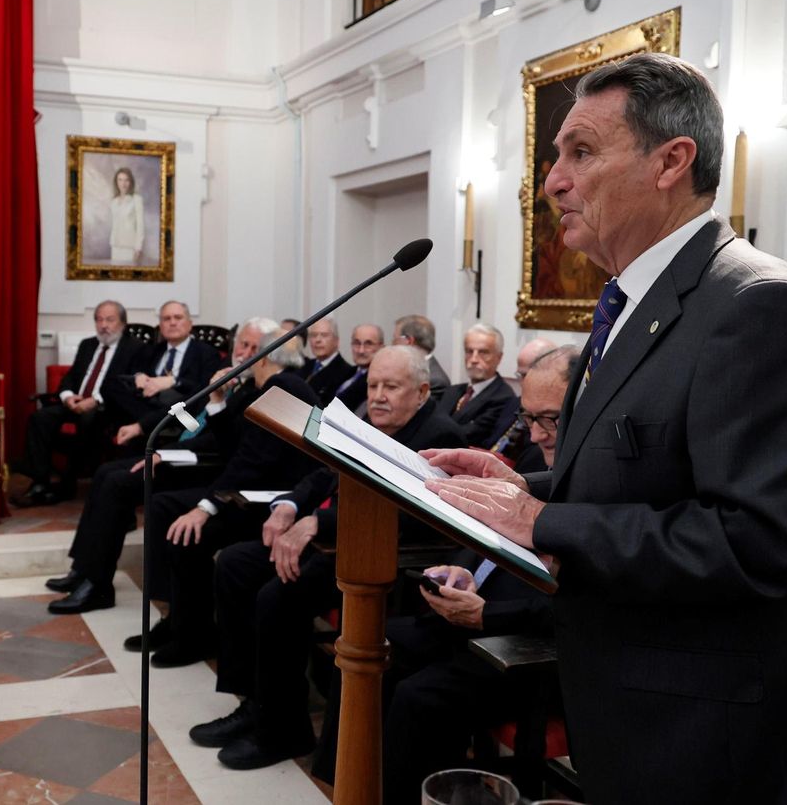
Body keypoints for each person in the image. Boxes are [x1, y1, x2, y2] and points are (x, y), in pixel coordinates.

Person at [424, 53, 787, 804]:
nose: (552, 180)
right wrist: (521, 486)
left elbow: (759, 543)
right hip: (635, 708)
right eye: (556, 156)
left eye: (581, 152)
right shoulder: (633, 302)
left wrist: (544, 521)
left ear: (672, 161)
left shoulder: (758, 308)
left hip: (715, 739)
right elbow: (646, 469)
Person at [311, 349, 578, 797]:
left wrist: (484, 615)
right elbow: (487, 536)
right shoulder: (539, 462)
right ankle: (346, 783)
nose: (535, 434)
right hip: (474, 617)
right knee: (366, 644)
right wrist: (460, 567)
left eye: (549, 420)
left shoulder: (595, 484)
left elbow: (570, 597)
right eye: (528, 417)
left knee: (418, 698)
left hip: (520, 646)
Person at [191, 346, 465, 770]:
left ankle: (282, 730)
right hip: (339, 539)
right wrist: (289, 505)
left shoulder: (439, 436)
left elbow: (409, 512)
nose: (377, 396)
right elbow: (325, 471)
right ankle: (252, 702)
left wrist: (321, 524)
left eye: (390, 387)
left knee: (275, 598)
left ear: (422, 391)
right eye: (373, 385)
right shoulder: (372, 421)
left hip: (380, 554)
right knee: (234, 565)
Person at [43, 319, 298, 614]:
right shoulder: (224, 372)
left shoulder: (254, 385)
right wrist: (143, 427)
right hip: (185, 446)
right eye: (243, 344)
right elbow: (185, 408)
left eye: (255, 348)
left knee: (118, 483)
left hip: (207, 462)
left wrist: (170, 453)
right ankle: (84, 568)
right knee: (105, 473)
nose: (246, 353)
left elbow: (222, 441)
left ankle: (97, 585)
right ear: (233, 344)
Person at [124, 333, 322, 660]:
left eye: (248, 348)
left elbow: (253, 462)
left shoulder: (285, 387)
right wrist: (216, 401)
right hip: (247, 490)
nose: (239, 355)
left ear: (261, 355)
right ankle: (177, 620)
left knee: (189, 532)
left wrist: (205, 507)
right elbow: (236, 451)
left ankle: (192, 634)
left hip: (270, 500)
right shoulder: (261, 388)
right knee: (164, 508)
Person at [19, 300, 144, 505]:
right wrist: (68, 396)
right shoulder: (88, 344)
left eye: (110, 320)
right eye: (99, 320)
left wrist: (95, 400)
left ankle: (68, 482)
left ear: (123, 323)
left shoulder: (135, 348)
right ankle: (39, 481)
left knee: (89, 418)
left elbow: (128, 385)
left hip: (107, 407)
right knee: (39, 417)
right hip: (76, 403)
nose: (104, 325)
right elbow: (70, 376)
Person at [103, 300, 222, 448]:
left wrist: (174, 381)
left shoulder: (206, 353)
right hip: (150, 406)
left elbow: (205, 389)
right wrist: (138, 377)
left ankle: (145, 425)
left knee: (189, 401)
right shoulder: (153, 350)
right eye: (166, 319)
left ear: (190, 324)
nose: (172, 323)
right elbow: (128, 375)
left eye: (178, 318)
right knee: (110, 384)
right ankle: (150, 423)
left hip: (182, 411)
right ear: (160, 326)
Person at [436, 323, 519, 448]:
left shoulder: (503, 397)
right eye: (469, 351)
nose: (474, 359)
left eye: (483, 352)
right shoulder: (452, 391)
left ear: (499, 357)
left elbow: (470, 435)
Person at [489, 337, 559, 461]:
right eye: (520, 375)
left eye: (526, 375)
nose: (522, 383)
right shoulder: (513, 403)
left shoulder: (558, 414)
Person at [393, 314, 450, 403]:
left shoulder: (435, 381)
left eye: (395, 340)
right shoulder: (408, 369)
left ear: (409, 341)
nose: (393, 345)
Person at [332, 323, 383, 412]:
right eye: (357, 343)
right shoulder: (348, 372)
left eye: (368, 344)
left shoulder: (379, 380)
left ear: (381, 347)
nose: (361, 350)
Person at [300, 317, 353, 402]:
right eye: (313, 335)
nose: (318, 340)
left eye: (324, 335)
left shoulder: (347, 372)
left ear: (336, 341)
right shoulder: (303, 366)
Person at [108, 167, 146, 263]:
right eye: (120, 180)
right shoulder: (113, 202)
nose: (123, 184)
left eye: (126, 180)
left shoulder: (137, 199)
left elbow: (140, 226)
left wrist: (138, 248)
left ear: (131, 182)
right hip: (115, 246)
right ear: (116, 182)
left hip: (130, 247)